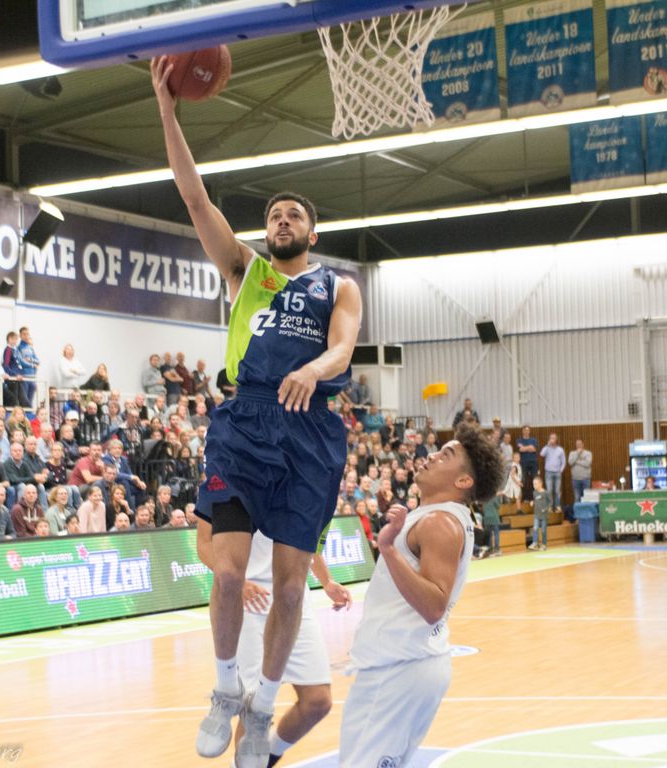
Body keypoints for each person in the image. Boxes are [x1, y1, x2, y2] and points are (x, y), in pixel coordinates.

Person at [153, 56, 363, 768]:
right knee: (228, 571)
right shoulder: (245, 272)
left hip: (310, 425)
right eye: (274, 215)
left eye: (294, 214)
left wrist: (314, 368)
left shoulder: (338, 285)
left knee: (292, 584)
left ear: (312, 231)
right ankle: (224, 689)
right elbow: (193, 197)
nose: (281, 220)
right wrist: (168, 110)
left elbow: (344, 350)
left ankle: (263, 705)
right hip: (245, 419)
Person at [339, 428, 505, 767]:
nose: (432, 456)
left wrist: (387, 548)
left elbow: (433, 605)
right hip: (404, 664)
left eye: (446, 455)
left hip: (401, 668)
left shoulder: (440, 523)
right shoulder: (437, 516)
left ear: (463, 481)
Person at [194, 521, 351, 768]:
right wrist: (236, 581)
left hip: (293, 597)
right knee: (252, 708)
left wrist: (327, 581)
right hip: (249, 600)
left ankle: (268, 757)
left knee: (317, 701)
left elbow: (307, 543)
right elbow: (204, 543)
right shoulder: (224, 494)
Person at [539, 433, 565, 514]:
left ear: (556, 439)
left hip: (557, 472)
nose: (552, 439)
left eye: (554, 438)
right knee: (549, 490)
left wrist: (560, 470)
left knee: (557, 491)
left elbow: (563, 462)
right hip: (548, 472)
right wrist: (547, 445)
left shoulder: (560, 449)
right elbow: (541, 454)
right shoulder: (547, 448)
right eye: (551, 438)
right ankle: (550, 507)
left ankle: (557, 506)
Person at [1, 331, 29, 407]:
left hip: (17, 378)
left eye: (16, 339)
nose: (15, 341)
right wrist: (14, 375)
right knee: (15, 398)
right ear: (8, 339)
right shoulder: (8, 350)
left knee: (23, 398)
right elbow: (6, 365)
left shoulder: (15, 350)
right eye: (13, 339)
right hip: (12, 379)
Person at [568, 438, 593, 517]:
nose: (578, 445)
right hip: (575, 479)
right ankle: (577, 516)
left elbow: (587, 464)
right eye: (577, 444)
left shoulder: (588, 453)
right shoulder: (572, 453)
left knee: (586, 498)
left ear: (583, 444)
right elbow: (570, 462)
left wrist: (577, 462)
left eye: (579, 444)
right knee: (577, 498)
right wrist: (577, 455)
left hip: (586, 479)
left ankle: (586, 515)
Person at [18, 326, 41, 407]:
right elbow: (21, 362)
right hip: (24, 376)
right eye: (24, 334)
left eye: (27, 334)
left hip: (32, 377)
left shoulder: (30, 348)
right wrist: (32, 364)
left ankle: (29, 413)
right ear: (20, 335)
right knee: (24, 400)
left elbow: (38, 361)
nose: (26, 336)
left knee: (30, 400)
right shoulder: (19, 348)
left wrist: (30, 360)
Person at [516, 426, 539, 504]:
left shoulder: (534, 440)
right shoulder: (519, 440)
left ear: (529, 431)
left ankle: (535, 498)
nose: (526, 431)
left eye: (527, 430)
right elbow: (521, 450)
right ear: (522, 431)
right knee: (524, 480)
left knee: (535, 480)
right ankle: (525, 498)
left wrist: (525, 447)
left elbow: (534, 449)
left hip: (533, 462)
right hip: (523, 462)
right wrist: (530, 447)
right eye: (525, 430)